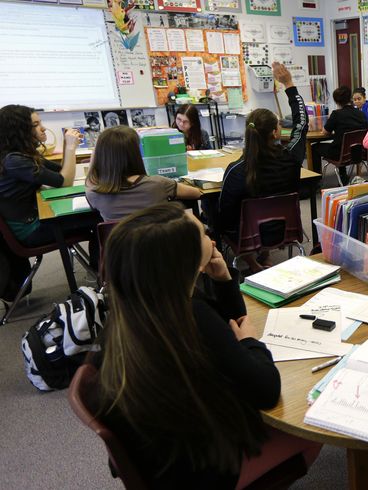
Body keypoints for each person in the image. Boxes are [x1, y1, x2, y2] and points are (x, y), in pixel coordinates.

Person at [91, 202, 322, 488]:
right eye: (202, 234)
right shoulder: (191, 317)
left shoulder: (137, 310)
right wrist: (251, 342)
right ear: (186, 261)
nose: (211, 240)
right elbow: (266, 390)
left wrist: (224, 280)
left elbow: (228, 323)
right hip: (206, 470)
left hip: (168, 460)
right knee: (310, 430)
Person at [218, 62, 307, 272]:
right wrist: (289, 84)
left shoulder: (237, 170)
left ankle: (252, 263)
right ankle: (266, 256)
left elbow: (225, 215)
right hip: (285, 230)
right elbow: (301, 125)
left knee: (218, 214)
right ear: (275, 133)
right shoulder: (291, 158)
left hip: (248, 235)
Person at [0, 105, 98, 263]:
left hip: (35, 220)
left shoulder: (22, 155)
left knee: (95, 216)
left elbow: (61, 172)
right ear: (18, 130)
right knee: (100, 220)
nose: (43, 128)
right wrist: (71, 148)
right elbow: (65, 182)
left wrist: (67, 145)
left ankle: (100, 270)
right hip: (30, 231)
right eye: (35, 125)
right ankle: (103, 274)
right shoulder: (14, 161)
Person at [85, 126, 202, 221]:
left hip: (122, 249)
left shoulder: (94, 192)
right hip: (160, 247)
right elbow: (196, 193)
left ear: (100, 156)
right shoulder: (158, 184)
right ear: (136, 152)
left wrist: (95, 155)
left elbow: (91, 178)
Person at [313, 85, 367, 185]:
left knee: (315, 147)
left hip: (340, 154)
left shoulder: (336, 114)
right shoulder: (361, 114)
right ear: (350, 98)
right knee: (342, 145)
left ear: (337, 101)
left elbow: (325, 132)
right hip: (358, 153)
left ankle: (315, 180)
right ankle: (342, 175)